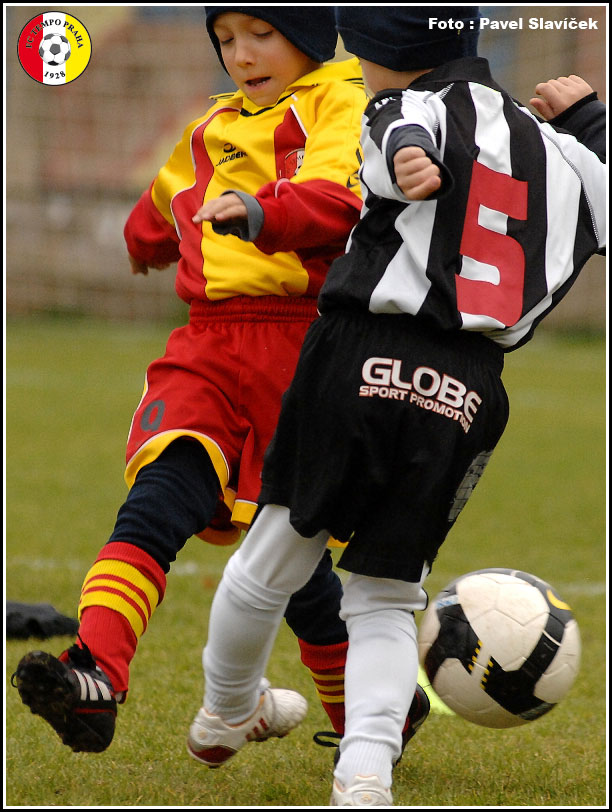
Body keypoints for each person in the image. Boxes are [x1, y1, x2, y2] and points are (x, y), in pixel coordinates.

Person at [183, 6, 606, 806]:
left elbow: (399, 140)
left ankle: (226, 712)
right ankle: (365, 774)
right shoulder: (564, 155)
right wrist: (590, 123)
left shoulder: (402, 106)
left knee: (271, 557)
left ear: (381, 50)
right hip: (469, 388)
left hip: (360, 352)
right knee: (387, 593)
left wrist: (410, 154)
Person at [13, 6, 391, 754]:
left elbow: (339, 198)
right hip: (207, 346)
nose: (241, 55)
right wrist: (144, 241)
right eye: (225, 39)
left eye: (261, 34)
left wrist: (259, 212)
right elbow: (163, 206)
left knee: (288, 549)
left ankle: (371, 716)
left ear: (308, 37)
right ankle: (94, 674)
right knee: (158, 494)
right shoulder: (211, 124)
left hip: (303, 346)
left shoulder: (341, 101)